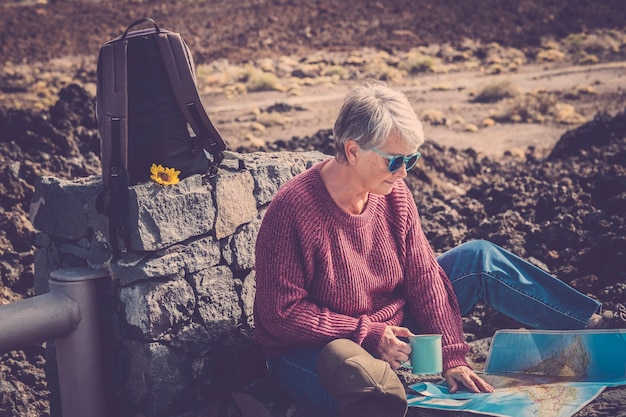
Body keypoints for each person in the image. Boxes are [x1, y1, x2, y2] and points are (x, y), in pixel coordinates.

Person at [253, 82, 626, 417]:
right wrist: (366, 333)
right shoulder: (294, 210)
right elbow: (281, 315)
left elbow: (424, 276)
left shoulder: (393, 193)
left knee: (478, 258)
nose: (404, 173)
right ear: (352, 151)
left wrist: (451, 355)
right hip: (316, 348)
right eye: (395, 160)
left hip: (391, 329)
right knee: (374, 390)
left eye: (411, 160)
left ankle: (598, 331)